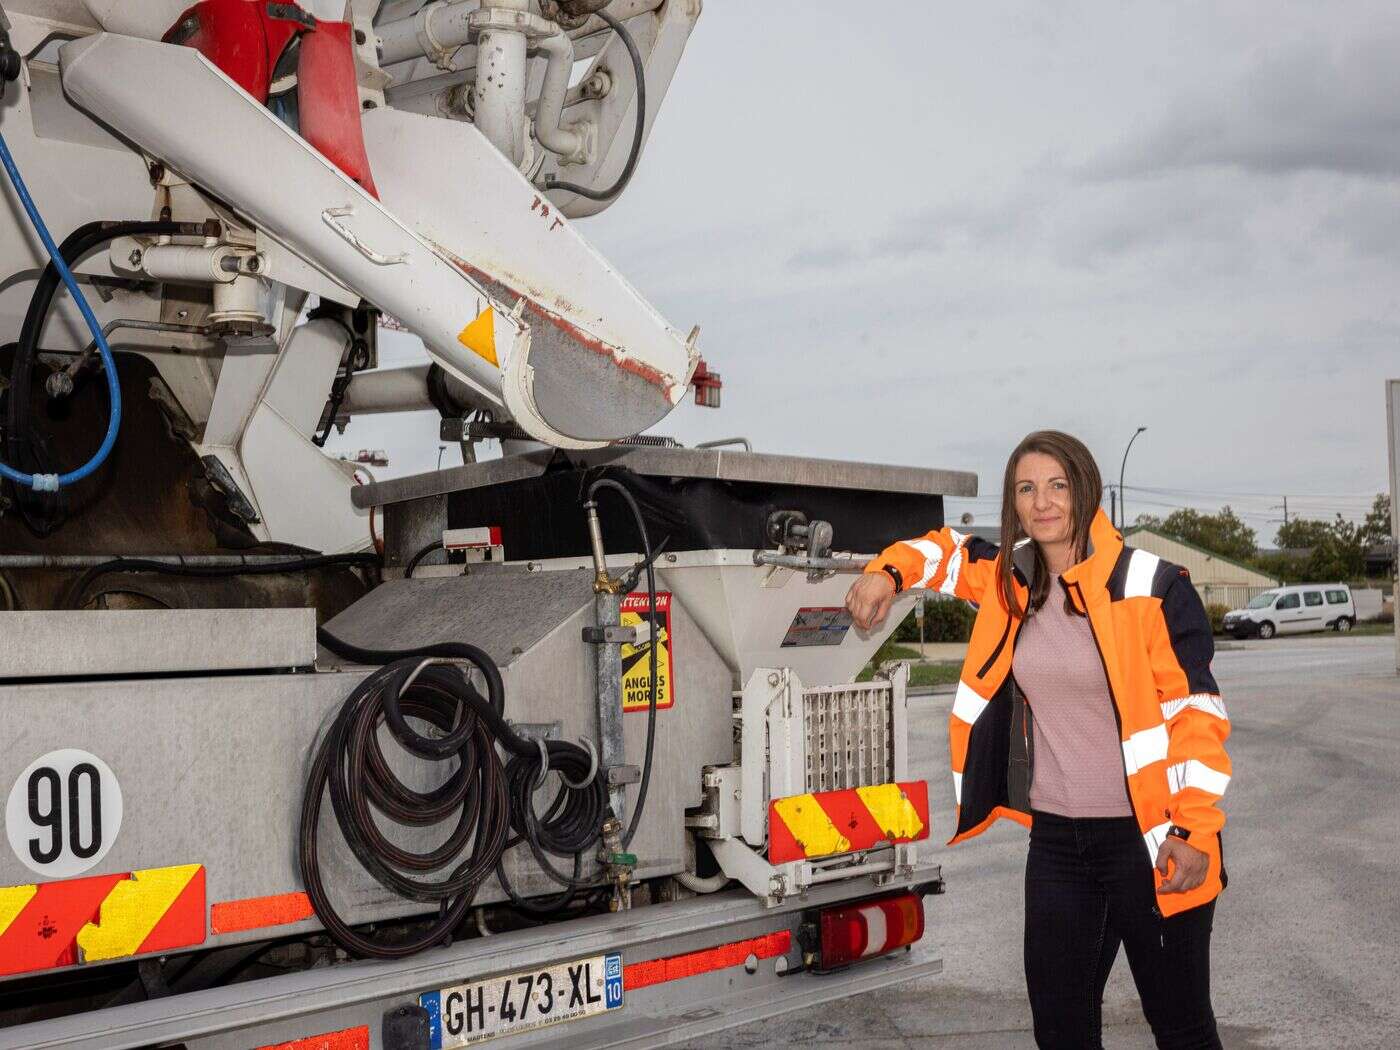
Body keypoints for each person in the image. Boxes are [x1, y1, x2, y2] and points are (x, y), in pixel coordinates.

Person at [845, 430, 1229, 1050]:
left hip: (1150, 840)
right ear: (1014, 502)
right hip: (1058, 845)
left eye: (1058, 485)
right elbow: (940, 552)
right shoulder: (1010, 581)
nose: (1043, 502)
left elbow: (1198, 718)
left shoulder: (1152, 587)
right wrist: (886, 574)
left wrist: (1194, 832)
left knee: (1182, 1030)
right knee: (1061, 1032)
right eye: (1027, 489)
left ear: (1086, 491)